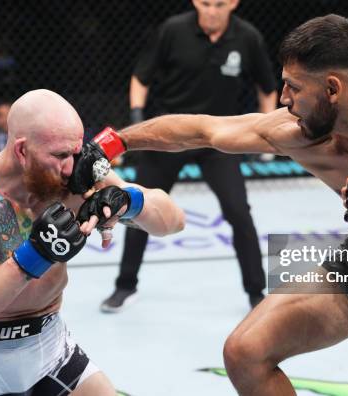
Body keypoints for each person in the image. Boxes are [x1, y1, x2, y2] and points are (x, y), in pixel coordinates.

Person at [91, 14, 348, 396]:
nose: (283, 99)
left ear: (333, 89)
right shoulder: (299, 134)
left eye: (294, 88)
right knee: (245, 352)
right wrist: (112, 143)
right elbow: (201, 129)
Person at [0, 89, 185, 395]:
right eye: (60, 155)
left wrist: (129, 201)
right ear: (22, 151)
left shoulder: (74, 179)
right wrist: (36, 255)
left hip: (50, 351)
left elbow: (173, 221)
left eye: (75, 152)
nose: (70, 166)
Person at [101, 0, 278, 312]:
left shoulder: (247, 37)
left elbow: (267, 87)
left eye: (219, 4)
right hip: (170, 135)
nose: (211, 10)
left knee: (239, 211)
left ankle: (255, 293)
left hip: (217, 140)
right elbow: (141, 77)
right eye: (205, 3)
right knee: (137, 205)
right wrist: (138, 116)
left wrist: (269, 136)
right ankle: (125, 285)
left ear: (233, 4)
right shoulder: (173, 30)